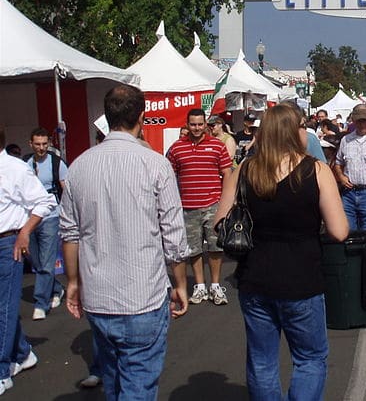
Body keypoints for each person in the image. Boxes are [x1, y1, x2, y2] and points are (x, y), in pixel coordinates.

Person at [59, 84, 190, 401]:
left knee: (116, 381)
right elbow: (173, 234)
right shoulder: (155, 164)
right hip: (141, 295)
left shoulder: (79, 166)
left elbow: (70, 231)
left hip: (100, 296)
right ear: (142, 118)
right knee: (138, 385)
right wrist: (181, 284)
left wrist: (73, 281)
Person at [215, 103, 348, 400]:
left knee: (262, 361)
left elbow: (219, 224)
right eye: (302, 126)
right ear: (292, 131)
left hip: (255, 278)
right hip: (302, 279)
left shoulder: (245, 170)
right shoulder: (316, 170)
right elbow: (339, 231)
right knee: (309, 359)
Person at [0, 126, 57, 396]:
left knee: (5, 306)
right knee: (3, 306)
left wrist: (24, 232)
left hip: (6, 242)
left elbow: (45, 202)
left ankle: (2, 370)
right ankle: (22, 353)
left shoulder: (14, 168)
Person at [167, 109, 233, 306]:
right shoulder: (177, 148)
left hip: (213, 204)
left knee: (215, 246)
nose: (196, 128)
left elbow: (227, 173)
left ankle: (215, 285)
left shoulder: (217, 146)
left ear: (206, 125)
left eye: (200, 124)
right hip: (187, 206)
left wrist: (225, 201)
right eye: (193, 124)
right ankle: (200, 286)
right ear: (187, 125)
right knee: (193, 249)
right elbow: (169, 175)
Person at [24, 127, 67, 320]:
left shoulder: (57, 163)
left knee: (47, 261)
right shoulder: (25, 164)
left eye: (44, 144)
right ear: (31, 144)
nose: (41, 148)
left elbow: (66, 191)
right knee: (35, 260)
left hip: (51, 217)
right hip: (30, 218)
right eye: (38, 144)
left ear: (48, 144)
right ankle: (57, 289)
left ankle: (41, 303)